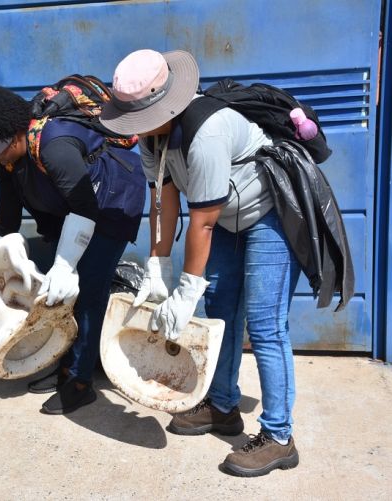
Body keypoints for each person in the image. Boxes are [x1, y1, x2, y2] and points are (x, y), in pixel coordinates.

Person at [99, 49, 301, 477]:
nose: (134, 130)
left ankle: (280, 436)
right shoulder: (156, 137)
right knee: (222, 313)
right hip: (228, 218)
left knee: (265, 325)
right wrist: (158, 266)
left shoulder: (205, 132)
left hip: (270, 216)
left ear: (162, 105)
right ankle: (224, 406)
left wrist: (187, 289)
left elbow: (202, 222)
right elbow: (164, 199)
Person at [0, 85, 146, 414]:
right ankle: (63, 360)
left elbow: (86, 208)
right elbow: (6, 219)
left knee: (88, 288)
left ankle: (77, 382)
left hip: (113, 201)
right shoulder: (8, 159)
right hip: (76, 206)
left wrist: (65, 265)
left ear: (16, 136)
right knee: (59, 289)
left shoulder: (55, 145)